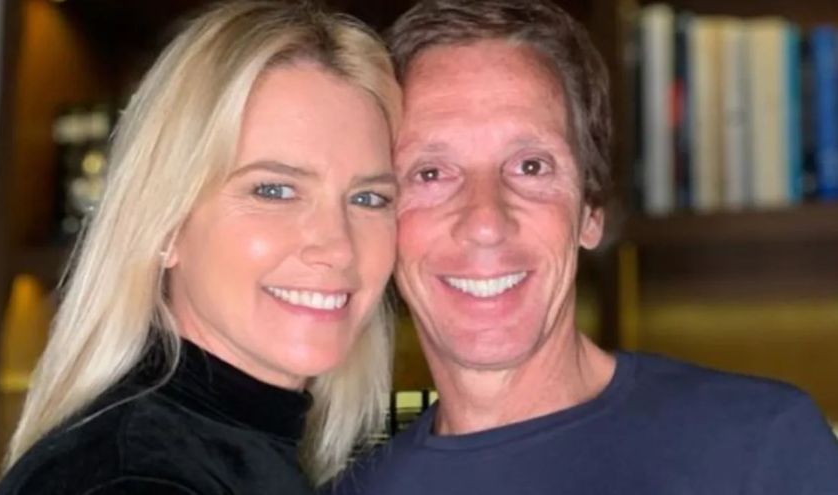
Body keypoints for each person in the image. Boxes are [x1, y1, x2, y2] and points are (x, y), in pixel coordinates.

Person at [328, 1, 838, 494]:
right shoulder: (349, 491)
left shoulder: (763, 450)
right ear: (382, 220)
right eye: (431, 173)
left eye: (530, 167)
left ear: (591, 212)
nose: (485, 222)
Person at [0, 1, 401, 494]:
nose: (338, 247)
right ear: (166, 224)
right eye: (274, 190)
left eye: (368, 198)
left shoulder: (222, 449)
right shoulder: (137, 479)